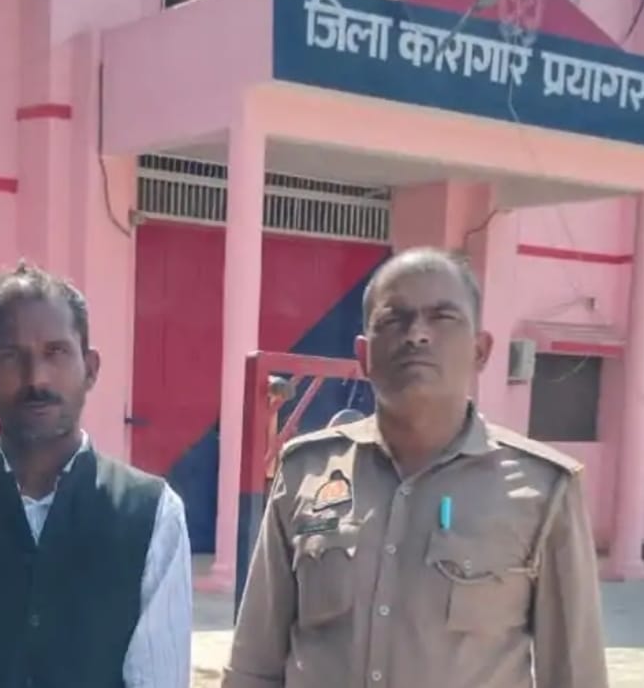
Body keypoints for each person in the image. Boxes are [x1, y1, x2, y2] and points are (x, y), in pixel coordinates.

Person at [223, 247, 608, 688]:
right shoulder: (306, 472)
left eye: (442, 317)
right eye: (394, 320)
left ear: (480, 350)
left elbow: (576, 677)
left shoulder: (543, 491)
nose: (417, 335)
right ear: (364, 355)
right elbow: (255, 664)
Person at [0, 261, 192, 688]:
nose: (36, 377)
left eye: (56, 352)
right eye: (10, 356)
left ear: (90, 368)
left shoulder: (154, 515)